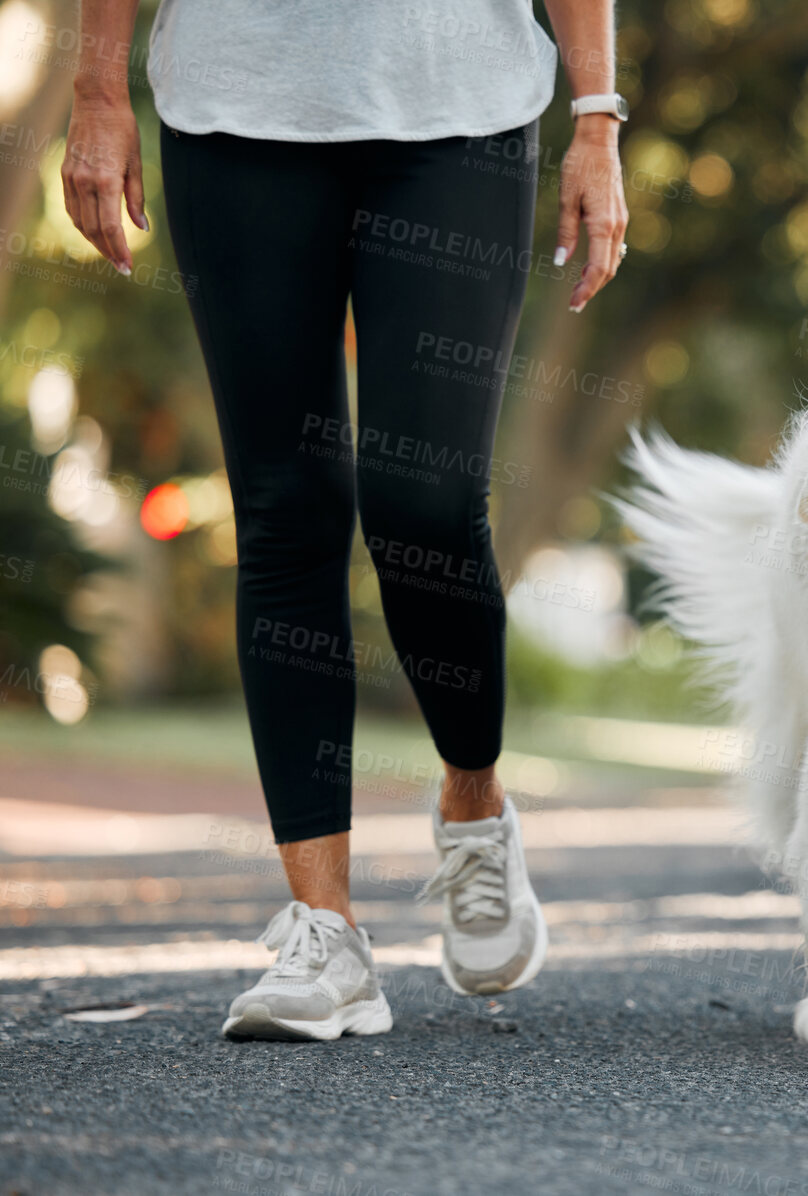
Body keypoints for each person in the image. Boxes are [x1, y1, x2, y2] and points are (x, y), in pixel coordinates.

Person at [61, 0, 629, 1040]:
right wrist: (97, 88)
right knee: (284, 507)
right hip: (235, 109)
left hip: (459, 102)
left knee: (427, 502)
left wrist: (598, 114)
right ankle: (324, 932)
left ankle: (473, 798)